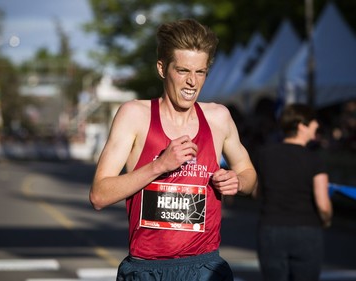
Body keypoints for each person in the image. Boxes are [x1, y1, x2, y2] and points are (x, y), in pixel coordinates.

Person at [89, 18, 257, 281]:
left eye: (200, 72)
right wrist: (159, 165)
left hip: (205, 267)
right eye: (182, 71)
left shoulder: (218, 118)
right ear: (162, 68)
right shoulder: (135, 115)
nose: (192, 82)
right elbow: (99, 195)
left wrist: (237, 180)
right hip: (148, 269)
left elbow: (250, 175)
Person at [253, 103, 333, 281]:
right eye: (312, 122)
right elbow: (323, 203)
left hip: (271, 227)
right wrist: (326, 219)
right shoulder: (315, 159)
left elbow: (256, 191)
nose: (316, 125)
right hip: (306, 229)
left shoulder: (264, 153)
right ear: (301, 125)